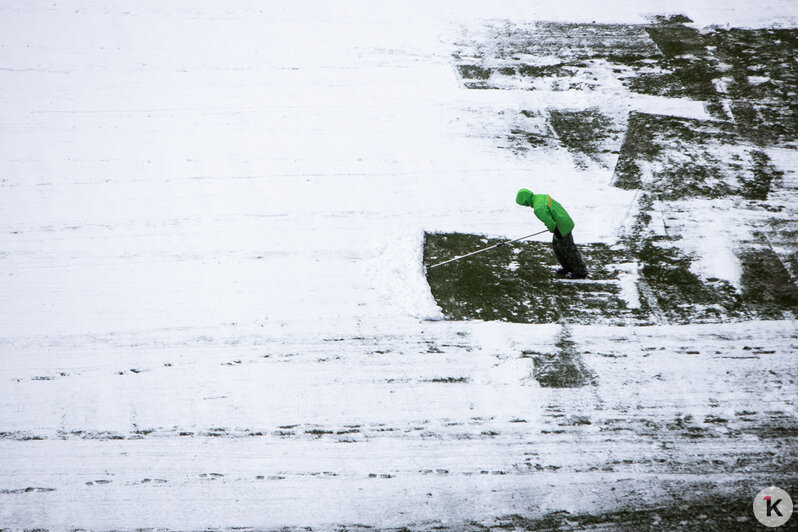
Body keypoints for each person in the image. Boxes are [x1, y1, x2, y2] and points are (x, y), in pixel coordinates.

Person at [515, 188, 588, 279]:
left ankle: (581, 272)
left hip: (561, 226)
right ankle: (568, 268)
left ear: (525, 201)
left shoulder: (538, 208)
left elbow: (551, 224)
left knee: (568, 250)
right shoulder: (541, 197)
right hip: (563, 220)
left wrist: (551, 229)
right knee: (557, 247)